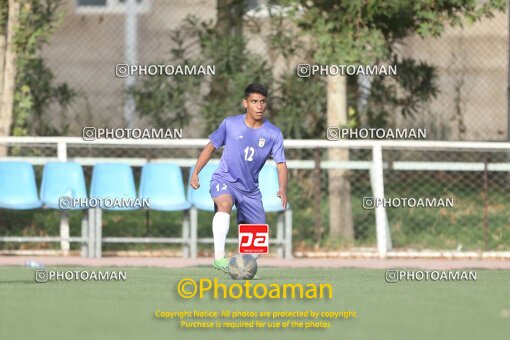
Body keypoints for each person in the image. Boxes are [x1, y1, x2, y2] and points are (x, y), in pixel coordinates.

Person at [190, 83, 288, 273]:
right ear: (245, 103)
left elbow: (281, 164)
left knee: (259, 243)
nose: (259, 106)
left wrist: (282, 188)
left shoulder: (273, 133)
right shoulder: (230, 124)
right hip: (224, 180)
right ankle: (219, 258)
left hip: (250, 191)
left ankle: (239, 266)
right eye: (254, 102)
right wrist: (196, 172)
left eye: (262, 102)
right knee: (224, 204)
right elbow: (211, 147)